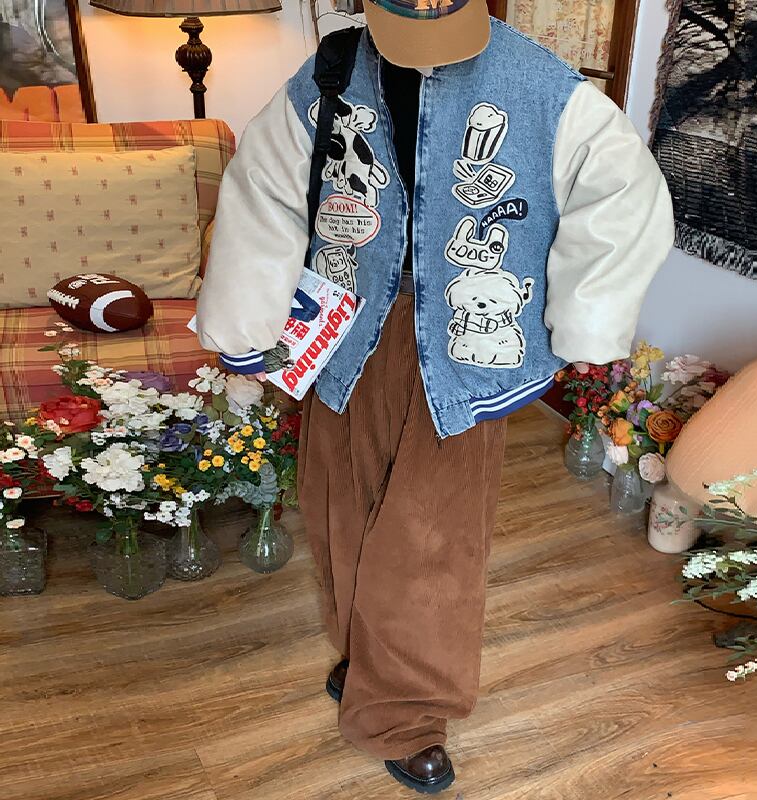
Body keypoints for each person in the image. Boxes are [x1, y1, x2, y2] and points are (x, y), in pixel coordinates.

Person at [196, 0, 674, 792]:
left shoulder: (540, 85)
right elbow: (265, 192)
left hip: (463, 342)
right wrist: (246, 325)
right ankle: (368, 659)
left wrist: (586, 319)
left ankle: (404, 713)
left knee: (431, 535)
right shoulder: (329, 74)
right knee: (339, 506)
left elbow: (626, 198)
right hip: (346, 327)